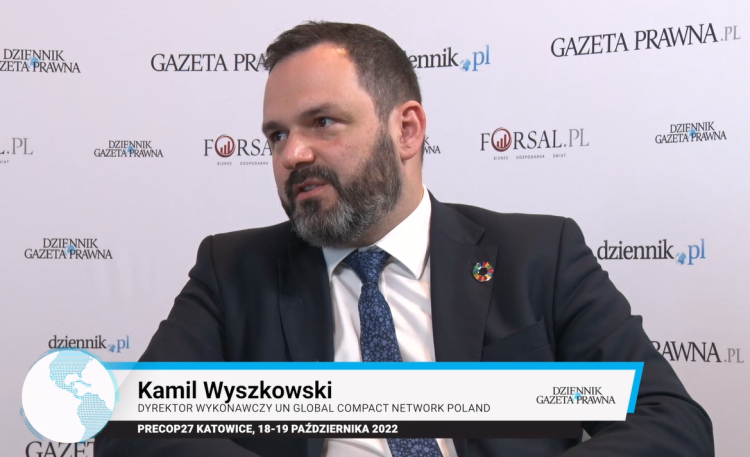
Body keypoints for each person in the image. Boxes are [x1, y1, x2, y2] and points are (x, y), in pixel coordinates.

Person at [95, 21, 714, 457]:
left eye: (322, 122)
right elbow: (130, 429)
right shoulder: (233, 270)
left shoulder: (538, 255)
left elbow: (670, 423)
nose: (292, 154)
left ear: (407, 130)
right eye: (276, 135)